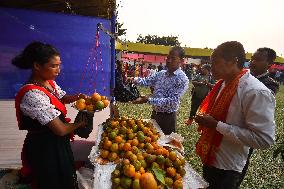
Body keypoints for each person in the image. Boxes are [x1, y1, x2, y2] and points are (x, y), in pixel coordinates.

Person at [194, 41, 275, 189]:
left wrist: (217, 125)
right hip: (210, 157)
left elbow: (264, 139)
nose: (211, 68)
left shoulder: (256, 92)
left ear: (233, 61)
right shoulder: (223, 84)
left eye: (215, 63)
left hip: (228, 167)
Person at [13, 41, 88, 189]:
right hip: (45, 147)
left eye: (59, 65)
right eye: (53, 66)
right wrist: (80, 124)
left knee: (65, 176)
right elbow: (60, 129)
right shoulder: (32, 94)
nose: (58, 70)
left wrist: (78, 97)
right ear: (36, 66)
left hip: (58, 143)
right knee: (51, 180)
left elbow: (61, 97)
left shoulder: (49, 83)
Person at [238, 47, 280, 184]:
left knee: (241, 160)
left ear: (269, 64)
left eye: (258, 59)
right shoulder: (243, 76)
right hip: (233, 125)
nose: (252, 62)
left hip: (249, 129)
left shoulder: (269, 85)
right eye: (252, 58)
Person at [131, 46, 189, 134]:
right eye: (168, 57)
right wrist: (132, 79)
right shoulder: (161, 74)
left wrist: (148, 99)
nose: (169, 60)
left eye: (173, 58)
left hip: (168, 118)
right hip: (155, 114)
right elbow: (147, 81)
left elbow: (172, 101)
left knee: (165, 144)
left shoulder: (182, 79)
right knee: (153, 140)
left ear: (181, 61)